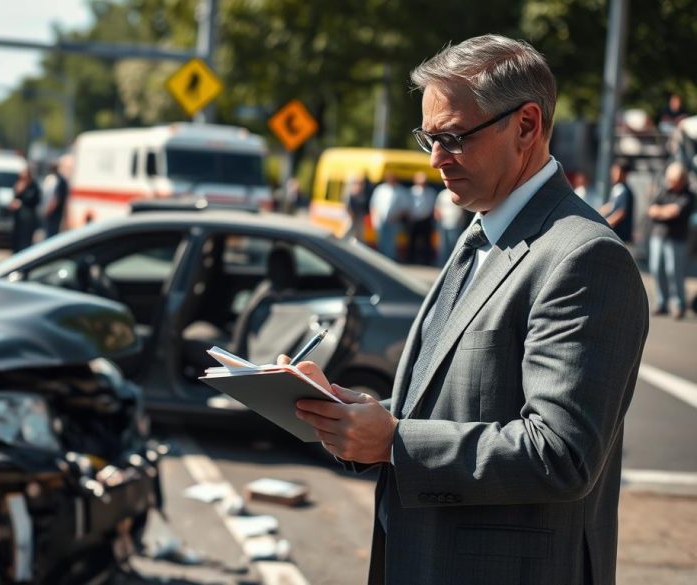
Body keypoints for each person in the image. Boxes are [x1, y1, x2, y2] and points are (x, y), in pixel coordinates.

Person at [286, 34, 648, 585]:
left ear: (526, 126)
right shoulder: (482, 229)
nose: (434, 160)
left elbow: (561, 452)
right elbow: (455, 400)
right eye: (428, 138)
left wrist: (394, 441)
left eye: (452, 138)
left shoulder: (583, 255)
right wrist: (359, 414)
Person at [648, 162, 694, 319]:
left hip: (676, 238)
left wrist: (662, 211)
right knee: (656, 269)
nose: (671, 183)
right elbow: (652, 209)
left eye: (674, 180)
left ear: (682, 179)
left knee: (674, 272)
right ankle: (662, 302)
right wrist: (664, 211)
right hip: (658, 235)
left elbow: (674, 212)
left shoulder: (688, 194)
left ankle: (679, 304)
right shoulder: (664, 190)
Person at [369, 171, 410, 261]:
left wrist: (396, 217)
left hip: (394, 221)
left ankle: (389, 259)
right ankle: (381, 258)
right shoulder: (380, 189)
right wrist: (374, 218)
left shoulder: (401, 191)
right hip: (380, 219)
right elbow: (373, 204)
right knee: (381, 240)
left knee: (391, 241)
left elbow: (405, 207)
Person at [599, 159, 634, 244]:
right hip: (614, 234)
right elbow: (611, 205)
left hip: (621, 235)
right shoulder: (617, 188)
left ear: (624, 173)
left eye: (616, 171)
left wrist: (606, 223)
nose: (613, 174)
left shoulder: (624, 190)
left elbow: (621, 212)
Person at [407, 171, 437, 264]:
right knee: (412, 241)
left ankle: (426, 261)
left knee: (427, 242)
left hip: (426, 220)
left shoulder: (431, 192)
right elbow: (408, 205)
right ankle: (411, 259)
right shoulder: (411, 191)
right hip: (414, 219)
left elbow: (433, 205)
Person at [10, 166, 41, 252]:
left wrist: (21, 203)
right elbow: (15, 198)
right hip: (18, 219)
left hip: (28, 219)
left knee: (25, 242)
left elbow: (33, 200)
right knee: (16, 240)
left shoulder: (33, 186)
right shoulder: (18, 185)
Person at [432, 187, 465, 266]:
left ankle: (453, 265)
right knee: (442, 246)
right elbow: (437, 208)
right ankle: (442, 264)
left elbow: (462, 209)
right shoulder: (442, 194)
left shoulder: (459, 193)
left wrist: (461, 221)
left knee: (454, 245)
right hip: (442, 224)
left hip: (455, 224)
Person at [42, 155, 71, 239]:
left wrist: (48, 210)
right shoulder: (58, 179)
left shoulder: (58, 180)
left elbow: (56, 198)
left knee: (51, 234)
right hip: (55, 212)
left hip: (54, 213)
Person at [342, 172, 369, 241]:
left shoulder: (362, 193)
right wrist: (351, 215)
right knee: (348, 230)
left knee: (359, 232)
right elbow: (346, 206)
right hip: (351, 216)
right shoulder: (350, 193)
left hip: (359, 217)